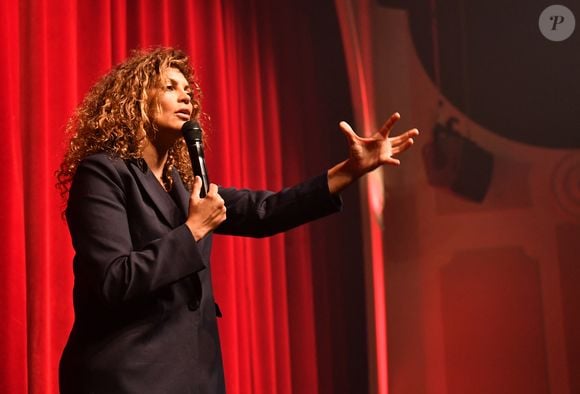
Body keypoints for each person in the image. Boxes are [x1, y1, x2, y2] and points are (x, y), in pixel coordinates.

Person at [56, 47, 418, 393]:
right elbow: (113, 280)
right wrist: (193, 230)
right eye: (170, 87)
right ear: (135, 101)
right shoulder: (103, 173)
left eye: (188, 91)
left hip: (194, 376)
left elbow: (264, 211)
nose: (187, 98)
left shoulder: (183, 186)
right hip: (128, 376)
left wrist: (351, 170)